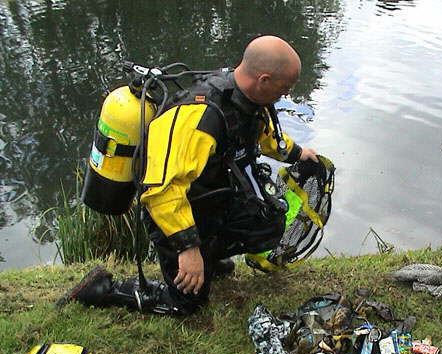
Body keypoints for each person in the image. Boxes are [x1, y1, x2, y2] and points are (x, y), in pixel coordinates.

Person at [61, 35, 319, 316]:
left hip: (211, 199)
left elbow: (262, 134)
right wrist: (187, 247)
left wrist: (297, 154)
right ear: (264, 80)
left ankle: (209, 256)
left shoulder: (245, 98)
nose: (286, 95)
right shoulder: (199, 118)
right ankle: (102, 288)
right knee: (186, 304)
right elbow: (161, 192)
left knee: (268, 223)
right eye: (284, 89)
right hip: (171, 211)